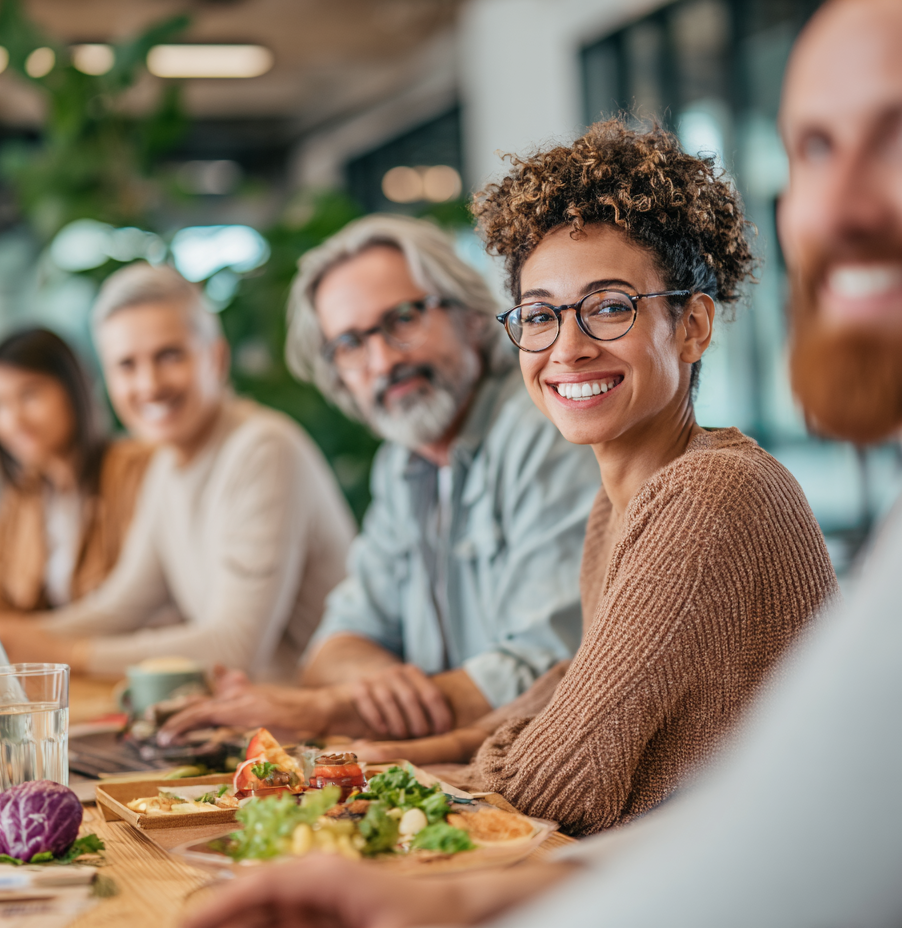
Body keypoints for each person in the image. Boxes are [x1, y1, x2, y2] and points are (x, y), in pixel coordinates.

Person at [180, 1, 902, 925]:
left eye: (607, 307)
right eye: (541, 314)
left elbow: (563, 775)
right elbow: (551, 700)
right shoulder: (626, 500)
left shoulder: (712, 493)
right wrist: (384, 762)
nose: (566, 349)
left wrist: (377, 779)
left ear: (691, 322)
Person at [161, 214, 601, 744]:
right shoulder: (401, 463)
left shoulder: (544, 427)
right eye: (350, 344)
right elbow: (331, 649)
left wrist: (333, 710)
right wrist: (380, 688)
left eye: (404, 318)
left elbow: (550, 670)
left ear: (471, 316)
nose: (384, 359)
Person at [0, 263, 356, 682]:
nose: (148, 385)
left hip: (316, 735)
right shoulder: (167, 461)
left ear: (216, 358)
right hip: (252, 726)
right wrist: (5, 639)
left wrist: (62, 654)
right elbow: (120, 607)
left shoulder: (263, 448)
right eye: (127, 366)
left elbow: (234, 648)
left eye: (168, 356)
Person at [0, 327, 153, 611]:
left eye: (29, 394)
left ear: (73, 389)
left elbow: (140, 605)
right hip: (45, 654)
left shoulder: (135, 472)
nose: (13, 420)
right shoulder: (21, 495)